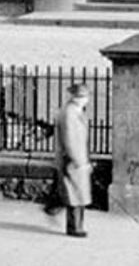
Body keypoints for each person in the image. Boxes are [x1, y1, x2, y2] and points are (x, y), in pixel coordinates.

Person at [51, 82, 92, 238]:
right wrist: (78, 159)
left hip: (79, 160)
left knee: (79, 195)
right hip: (72, 160)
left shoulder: (76, 111)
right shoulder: (69, 113)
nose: (85, 99)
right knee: (75, 195)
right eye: (82, 96)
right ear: (76, 97)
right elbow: (69, 139)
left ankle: (78, 225)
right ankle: (74, 227)